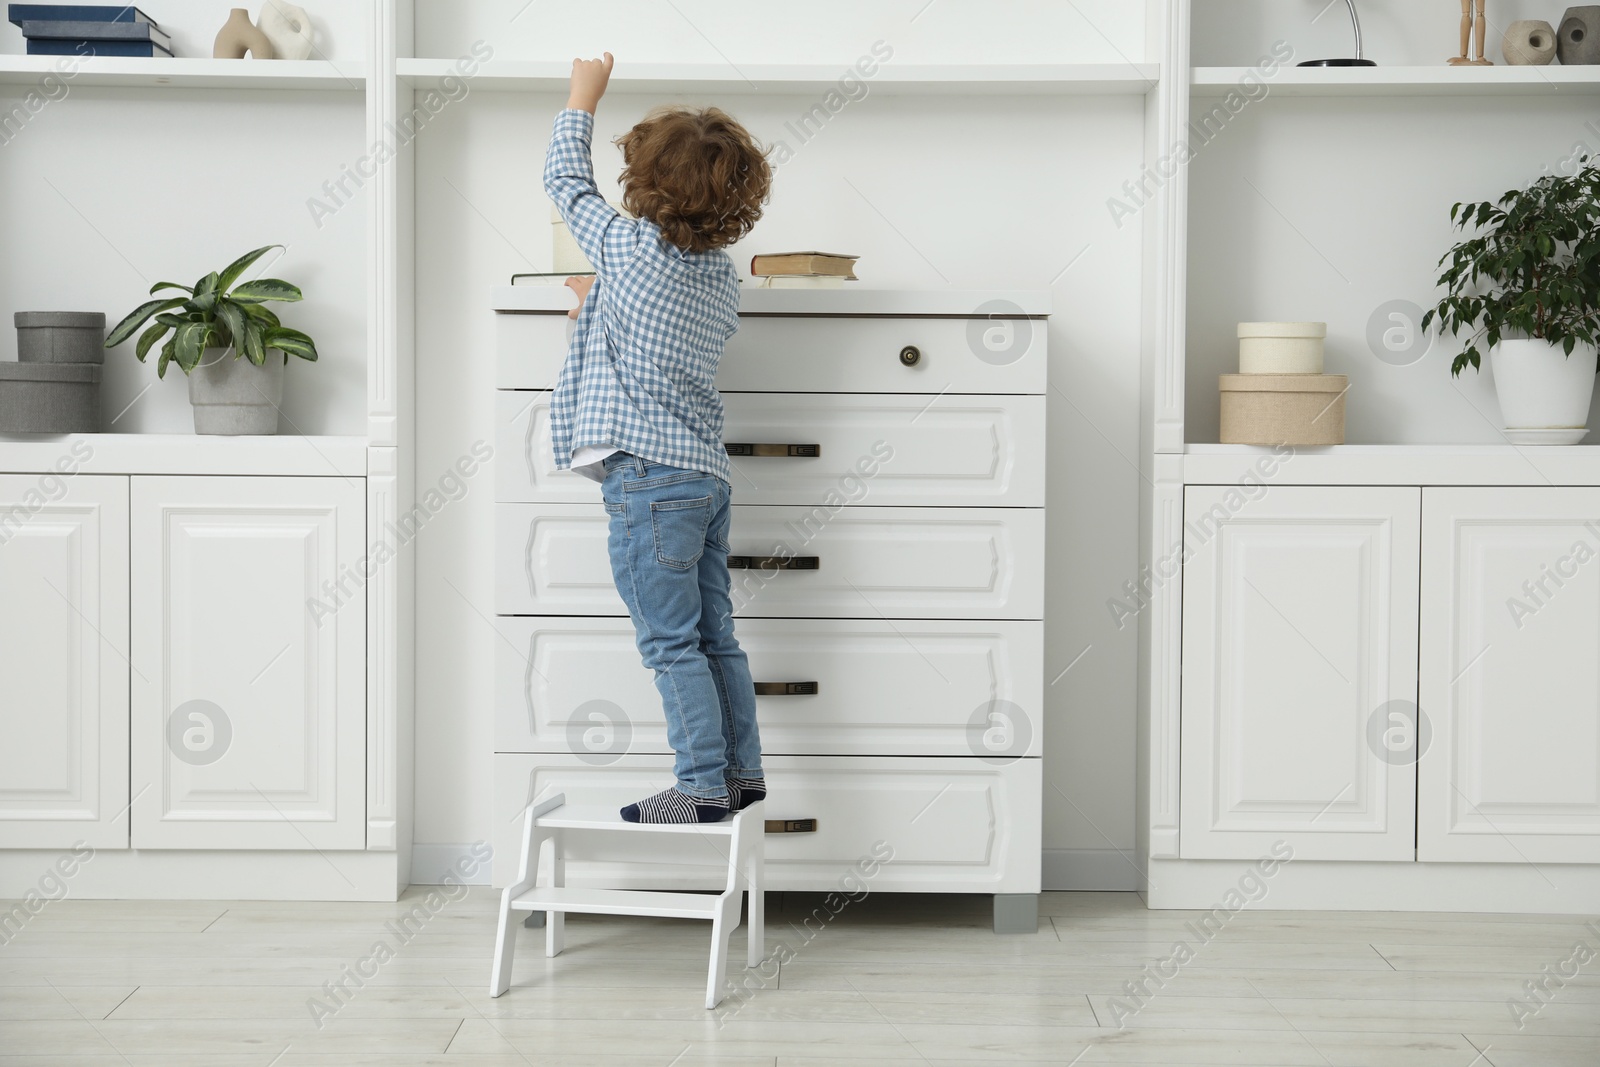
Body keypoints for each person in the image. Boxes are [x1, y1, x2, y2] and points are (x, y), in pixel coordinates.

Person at [543, 53, 773, 823]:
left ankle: (701, 785)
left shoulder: (628, 251)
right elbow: (652, 329)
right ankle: (742, 771)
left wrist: (584, 96)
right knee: (717, 638)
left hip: (649, 484)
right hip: (706, 481)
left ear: (644, 186)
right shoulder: (719, 277)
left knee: (670, 645)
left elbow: (565, 183)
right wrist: (596, 299)